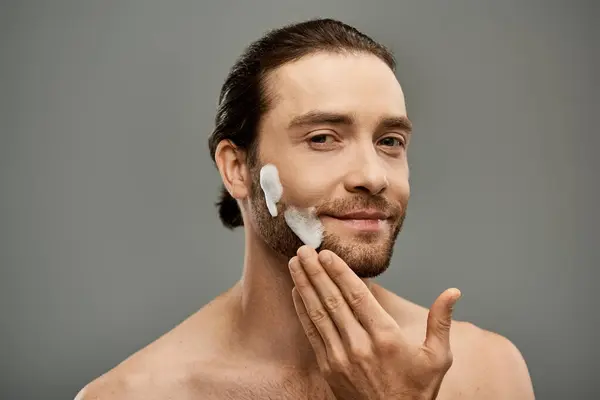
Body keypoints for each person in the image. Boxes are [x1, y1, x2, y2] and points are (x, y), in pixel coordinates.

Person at [77, 18, 535, 399]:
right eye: (322, 138)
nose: (373, 176)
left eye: (389, 141)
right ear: (237, 168)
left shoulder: (487, 374)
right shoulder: (136, 394)